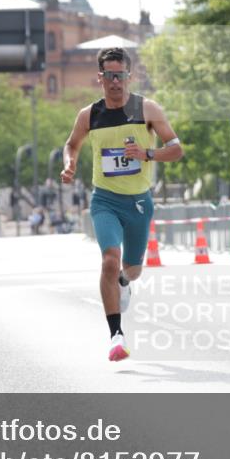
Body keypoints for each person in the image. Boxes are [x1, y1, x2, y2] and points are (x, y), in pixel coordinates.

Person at [60, 47, 184, 362]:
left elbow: (176, 148)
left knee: (132, 269)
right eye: (109, 76)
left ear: (130, 76)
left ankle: (125, 283)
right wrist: (69, 164)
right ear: (99, 78)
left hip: (139, 202)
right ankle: (116, 335)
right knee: (109, 261)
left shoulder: (148, 109)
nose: (115, 82)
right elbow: (72, 144)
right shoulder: (89, 115)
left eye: (121, 75)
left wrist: (148, 154)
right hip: (105, 200)